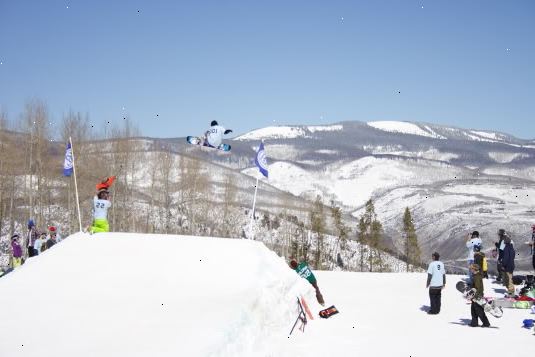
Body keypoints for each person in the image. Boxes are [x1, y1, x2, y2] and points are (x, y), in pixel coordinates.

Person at [469, 263, 491, 327]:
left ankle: (486, 323)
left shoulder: (477, 277)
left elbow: (478, 288)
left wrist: (475, 296)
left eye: (471, 268)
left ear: (474, 269)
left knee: (479, 311)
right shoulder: (476, 275)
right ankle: (474, 323)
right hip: (475, 295)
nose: (471, 270)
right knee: (473, 310)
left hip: (477, 296)